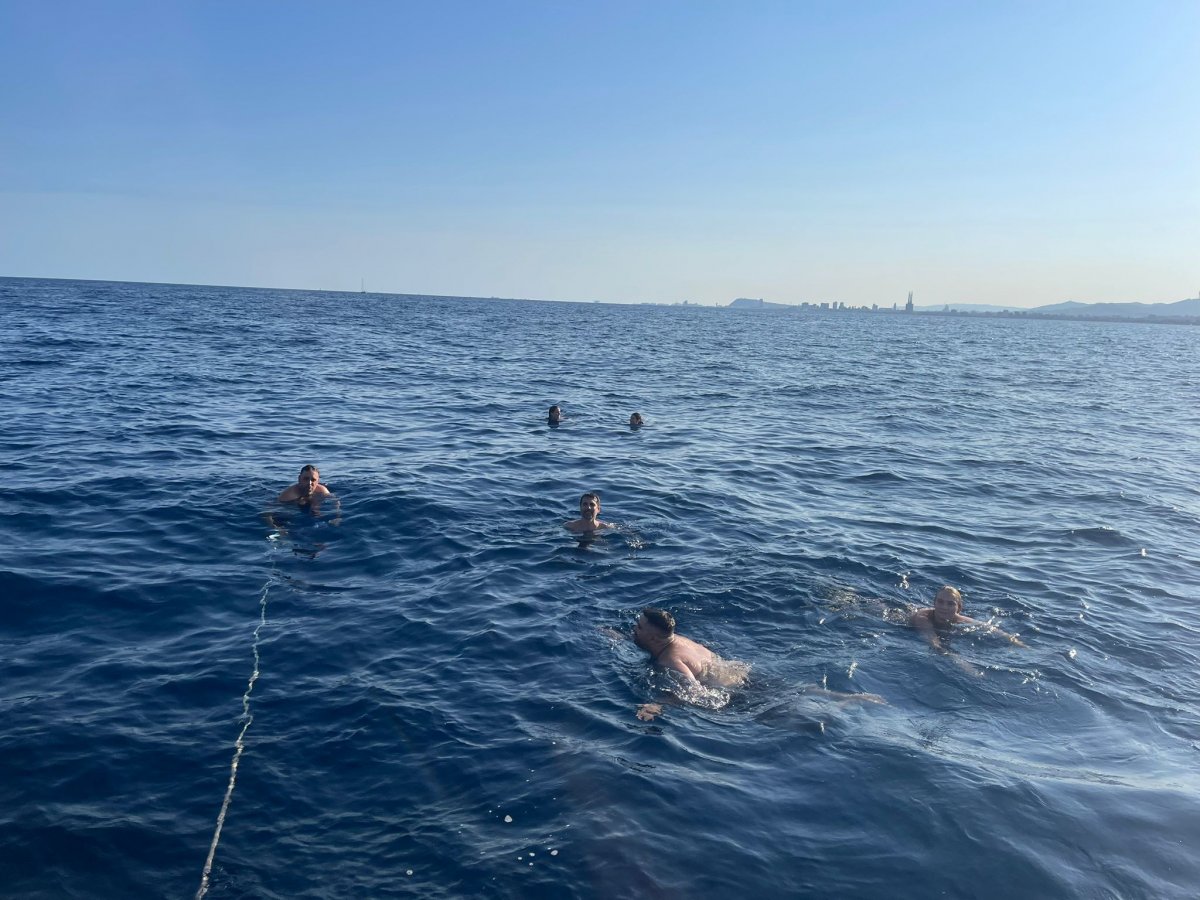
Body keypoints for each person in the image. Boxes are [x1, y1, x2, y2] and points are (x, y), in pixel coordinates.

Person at [910, 585, 1024, 651]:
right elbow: (934, 642)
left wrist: (1019, 644)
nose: (944, 607)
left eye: (950, 604)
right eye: (940, 602)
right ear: (934, 603)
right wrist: (963, 665)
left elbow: (990, 628)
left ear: (959, 608)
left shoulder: (959, 619)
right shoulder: (923, 618)